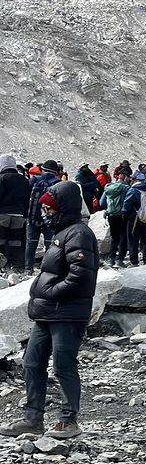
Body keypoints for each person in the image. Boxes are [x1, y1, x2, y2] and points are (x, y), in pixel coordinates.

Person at [0, 182, 99, 440]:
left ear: (62, 207)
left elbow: (81, 276)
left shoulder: (78, 233)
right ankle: (33, 419)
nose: (45, 212)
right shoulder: (63, 232)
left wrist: (50, 292)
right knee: (32, 363)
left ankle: (69, 420)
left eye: (49, 207)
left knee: (63, 365)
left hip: (66, 313)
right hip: (48, 313)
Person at [25, 159, 62, 271]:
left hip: (33, 217)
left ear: (43, 170)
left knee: (31, 244)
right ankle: (48, 268)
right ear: (56, 171)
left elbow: (26, 196)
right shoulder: (58, 183)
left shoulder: (34, 180)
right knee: (50, 245)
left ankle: (28, 268)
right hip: (50, 219)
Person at [0, 153, 30, 273]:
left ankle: (3, 266)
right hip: (19, 215)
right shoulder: (23, 179)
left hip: (2, 214)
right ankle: (17, 266)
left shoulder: (1, 178)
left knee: (1, 240)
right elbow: (27, 198)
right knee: (16, 241)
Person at [101, 174, 130, 268]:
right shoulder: (125, 188)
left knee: (114, 237)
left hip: (111, 215)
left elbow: (102, 203)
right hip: (122, 215)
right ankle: (120, 260)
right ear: (124, 179)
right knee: (123, 237)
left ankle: (111, 259)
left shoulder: (108, 188)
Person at [123, 174, 146, 265]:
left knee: (133, 239)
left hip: (134, 218)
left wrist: (125, 216)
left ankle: (134, 261)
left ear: (135, 180)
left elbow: (126, 206)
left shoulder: (133, 190)